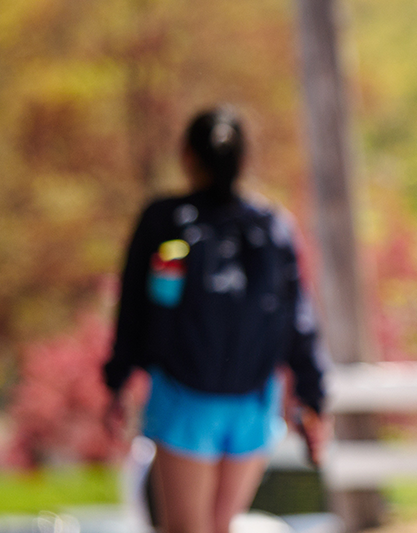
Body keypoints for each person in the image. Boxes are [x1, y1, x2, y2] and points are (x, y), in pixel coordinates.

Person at [102, 107, 330, 533]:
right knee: (220, 527)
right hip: (253, 399)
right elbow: (300, 318)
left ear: (187, 155)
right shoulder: (273, 225)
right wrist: (313, 396)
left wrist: (118, 380)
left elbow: (133, 306)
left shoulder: (165, 221)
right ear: (244, 160)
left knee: (186, 528)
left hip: (184, 398)